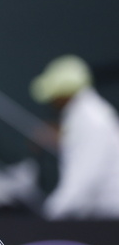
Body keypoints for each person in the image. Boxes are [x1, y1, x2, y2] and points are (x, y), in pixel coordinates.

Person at [30, 54, 119, 220]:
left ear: (65, 94)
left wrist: (52, 212)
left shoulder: (91, 120)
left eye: (54, 95)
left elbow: (83, 179)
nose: (52, 101)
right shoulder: (87, 115)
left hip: (110, 219)